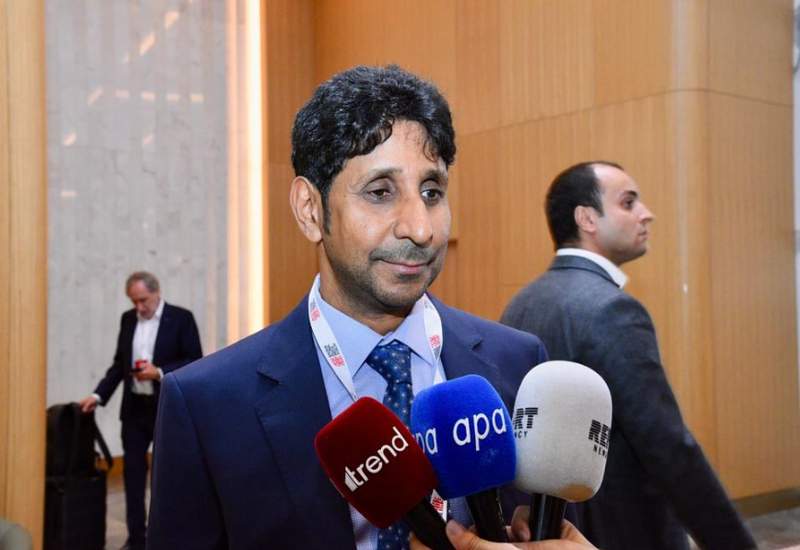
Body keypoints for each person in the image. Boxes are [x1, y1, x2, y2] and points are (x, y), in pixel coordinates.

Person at [146, 66, 564, 550]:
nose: (420, 228)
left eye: (432, 192)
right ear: (310, 210)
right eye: (380, 192)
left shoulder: (521, 365)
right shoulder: (206, 405)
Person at [500, 162, 756, 550]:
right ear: (587, 219)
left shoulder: (522, 301)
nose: (646, 213)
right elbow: (666, 446)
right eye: (628, 202)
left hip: (545, 532)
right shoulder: (612, 309)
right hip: (620, 534)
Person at [79, 271, 202, 550]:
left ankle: (168, 538)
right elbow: (119, 365)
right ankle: (136, 539)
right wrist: (97, 395)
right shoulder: (127, 319)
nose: (139, 307)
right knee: (132, 476)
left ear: (157, 292)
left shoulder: (181, 318)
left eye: (143, 300)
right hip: (134, 409)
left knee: (168, 475)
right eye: (134, 301)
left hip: (165, 407)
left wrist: (158, 371)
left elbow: (194, 360)